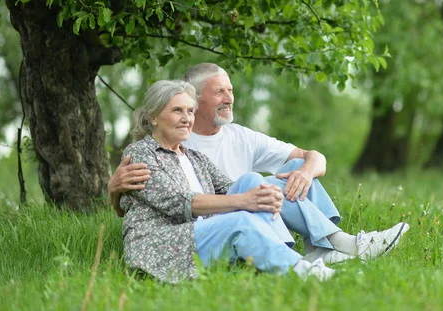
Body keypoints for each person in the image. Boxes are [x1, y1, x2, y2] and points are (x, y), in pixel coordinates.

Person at [109, 64, 409, 264]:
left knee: (285, 173)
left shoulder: (233, 138)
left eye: (230, 90)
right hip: (212, 223)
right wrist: (113, 191)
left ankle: (321, 247)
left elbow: (314, 157)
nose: (229, 98)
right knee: (254, 182)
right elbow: (156, 201)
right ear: (196, 100)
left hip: (250, 211)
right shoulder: (173, 143)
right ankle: (325, 249)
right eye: (219, 92)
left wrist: (304, 172)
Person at [119, 80, 335, 283]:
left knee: (252, 180)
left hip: (200, 234)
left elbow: (235, 188)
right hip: (165, 244)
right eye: (177, 110)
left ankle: (284, 253)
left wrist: (263, 194)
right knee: (240, 218)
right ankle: (302, 269)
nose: (187, 118)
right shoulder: (141, 153)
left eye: (190, 111)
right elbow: (179, 202)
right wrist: (244, 201)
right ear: (153, 117)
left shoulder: (195, 158)